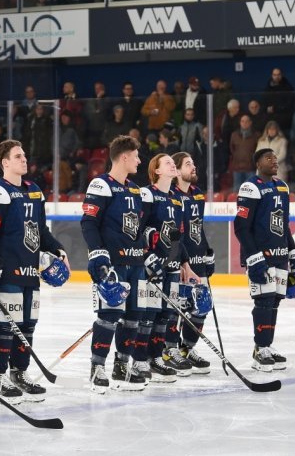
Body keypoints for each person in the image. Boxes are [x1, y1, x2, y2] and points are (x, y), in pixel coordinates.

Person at [0, 140, 68, 400]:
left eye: (24, 155)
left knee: (27, 327)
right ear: (5, 163)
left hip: (30, 272)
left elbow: (40, 231)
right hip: (7, 273)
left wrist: (58, 249)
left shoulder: (34, 191)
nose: (24, 159)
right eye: (18, 156)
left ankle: (19, 372)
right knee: (4, 327)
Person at [82, 135, 153, 392]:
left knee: (135, 317)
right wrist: (98, 254)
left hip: (136, 263)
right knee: (109, 316)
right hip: (114, 264)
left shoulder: (135, 189)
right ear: (124, 157)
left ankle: (121, 364)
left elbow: (137, 227)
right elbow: (89, 223)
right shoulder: (101, 185)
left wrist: (149, 240)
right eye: (136, 156)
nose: (139, 160)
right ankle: (97, 367)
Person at [233, 148, 295, 371]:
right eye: (268, 158)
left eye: (275, 158)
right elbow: (241, 227)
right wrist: (254, 258)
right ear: (257, 163)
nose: (274, 161)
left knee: (274, 301)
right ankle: (259, 349)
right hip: (261, 257)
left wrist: (294, 251)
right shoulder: (250, 187)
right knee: (263, 301)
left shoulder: (282, 187)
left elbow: (283, 224)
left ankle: (267, 345)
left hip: (280, 255)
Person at [141, 153, 187, 383]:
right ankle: (141, 359)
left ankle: (156, 358)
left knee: (166, 314)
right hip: (152, 266)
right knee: (148, 313)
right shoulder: (147, 194)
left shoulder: (177, 199)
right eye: (167, 162)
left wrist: (184, 262)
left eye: (173, 162)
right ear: (156, 171)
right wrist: (147, 256)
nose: (172, 165)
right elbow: (138, 228)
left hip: (172, 265)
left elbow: (179, 235)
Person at [169, 151, 214, 373]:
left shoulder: (197, 195)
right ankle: (171, 350)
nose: (193, 167)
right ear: (176, 171)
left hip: (197, 262)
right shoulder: (171, 196)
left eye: (193, 163)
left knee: (201, 307)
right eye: (188, 164)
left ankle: (187, 348)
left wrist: (207, 254)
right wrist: (178, 260)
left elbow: (198, 228)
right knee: (177, 309)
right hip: (178, 262)